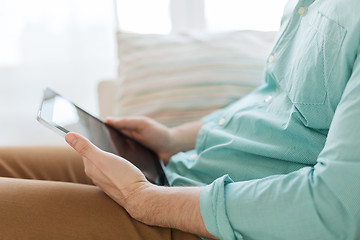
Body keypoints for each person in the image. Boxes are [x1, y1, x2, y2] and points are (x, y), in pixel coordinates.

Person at [1, 0, 360, 239]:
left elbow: (336, 209)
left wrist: (145, 199)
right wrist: (176, 139)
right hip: (183, 172)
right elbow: (273, 100)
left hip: (210, 218)